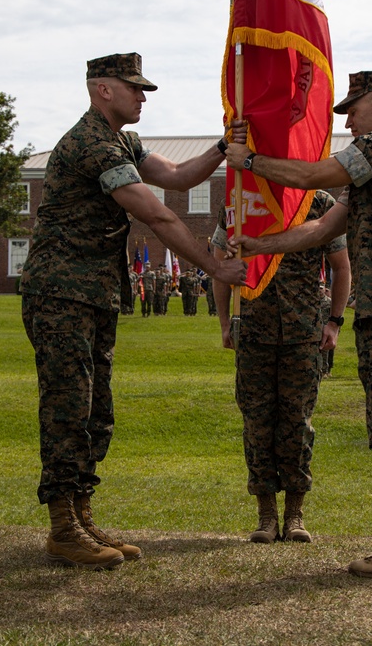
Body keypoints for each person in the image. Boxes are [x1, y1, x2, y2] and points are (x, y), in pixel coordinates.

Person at [19, 52, 246, 570]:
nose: (143, 97)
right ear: (103, 90)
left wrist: (222, 146)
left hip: (92, 294)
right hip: (61, 294)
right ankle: (62, 529)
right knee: (67, 409)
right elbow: (158, 215)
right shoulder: (91, 145)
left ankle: (80, 517)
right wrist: (214, 267)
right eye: (134, 88)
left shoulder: (123, 140)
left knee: (96, 411)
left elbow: (180, 178)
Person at [225, 69, 372, 580]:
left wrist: (250, 160)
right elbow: (323, 227)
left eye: (353, 110)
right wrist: (262, 247)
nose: (346, 122)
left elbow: (308, 178)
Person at [213, 190, 350, 545]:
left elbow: (341, 266)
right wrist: (225, 323)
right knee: (257, 422)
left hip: (302, 331)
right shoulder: (239, 199)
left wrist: (334, 321)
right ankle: (266, 516)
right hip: (254, 331)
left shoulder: (319, 203)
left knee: (297, 423)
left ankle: (294, 514)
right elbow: (220, 267)